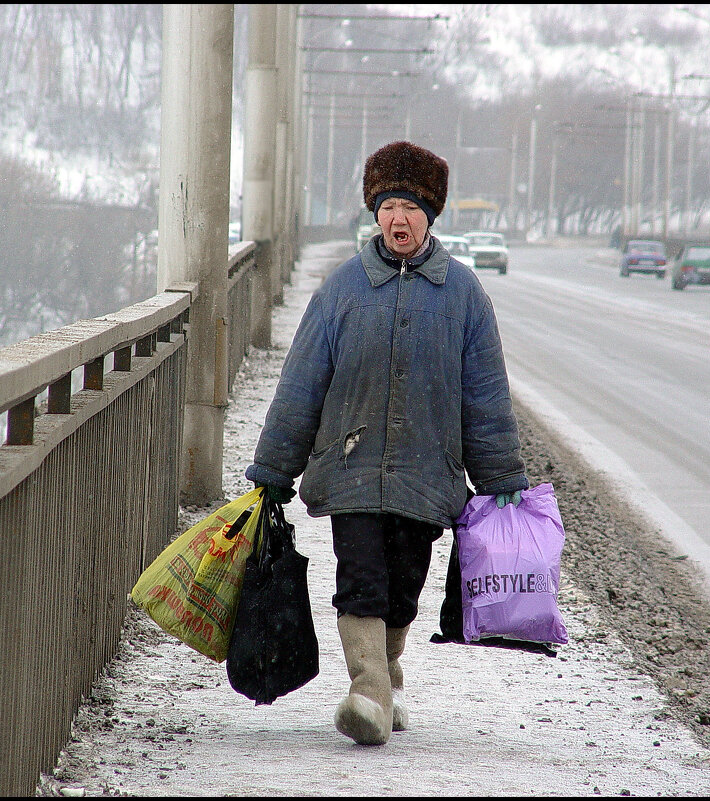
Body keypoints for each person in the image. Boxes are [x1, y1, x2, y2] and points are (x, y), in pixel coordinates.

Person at [246, 140, 529, 746]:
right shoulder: (342, 290)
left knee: (403, 587)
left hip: (429, 472)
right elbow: (302, 383)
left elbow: (484, 398)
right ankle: (368, 693)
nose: (399, 218)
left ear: (431, 215)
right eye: (388, 206)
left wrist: (502, 478)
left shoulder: (464, 298)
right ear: (374, 213)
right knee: (361, 578)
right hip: (350, 466)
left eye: (412, 207)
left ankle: (387, 668)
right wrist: (274, 466)